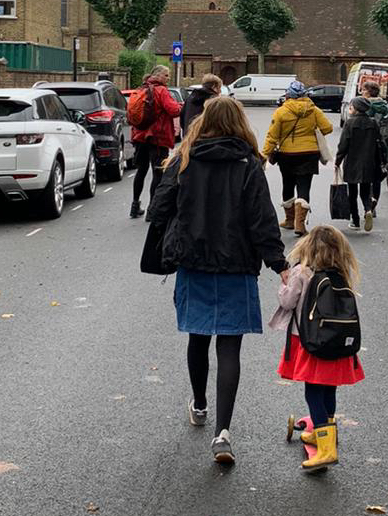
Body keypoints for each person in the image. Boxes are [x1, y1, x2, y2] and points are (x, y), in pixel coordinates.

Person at [148, 97, 290, 466]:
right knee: (229, 348)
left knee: (198, 336)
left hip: (194, 263)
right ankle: (222, 433)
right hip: (237, 266)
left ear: (203, 120)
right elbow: (262, 219)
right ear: (240, 123)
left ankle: (199, 405)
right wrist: (280, 264)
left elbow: (158, 209)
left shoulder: (185, 158)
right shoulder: (248, 162)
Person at [268, 224, 364, 471]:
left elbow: (288, 302)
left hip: (310, 341)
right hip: (336, 341)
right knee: (328, 389)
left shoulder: (302, 272)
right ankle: (326, 432)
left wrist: (283, 283)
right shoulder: (339, 272)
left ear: (308, 246)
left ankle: (325, 447)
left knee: (312, 392)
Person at [262, 81, 334, 236]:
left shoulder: (281, 112)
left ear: (289, 95)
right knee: (304, 186)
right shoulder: (313, 110)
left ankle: (289, 220)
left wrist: (264, 155)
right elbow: (328, 128)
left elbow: (272, 136)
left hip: (287, 154)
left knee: (287, 184)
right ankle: (299, 224)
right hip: (309, 153)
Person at [129, 65, 182, 219]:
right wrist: (179, 106)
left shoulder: (140, 89)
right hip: (157, 138)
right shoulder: (161, 91)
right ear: (158, 75)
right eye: (166, 75)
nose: (168, 78)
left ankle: (135, 205)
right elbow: (174, 111)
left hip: (139, 137)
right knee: (158, 173)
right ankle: (152, 210)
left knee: (141, 170)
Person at [335, 97, 384, 231]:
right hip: (369, 162)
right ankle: (368, 209)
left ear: (356, 109)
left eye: (351, 107)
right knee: (365, 190)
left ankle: (355, 221)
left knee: (352, 192)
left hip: (352, 162)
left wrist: (338, 161)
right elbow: (379, 142)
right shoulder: (373, 123)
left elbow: (343, 145)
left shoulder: (350, 123)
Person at [363, 82, 388, 212]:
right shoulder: (385, 108)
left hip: (366, 146)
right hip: (382, 148)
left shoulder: (366, 107)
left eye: (364, 90)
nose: (362, 92)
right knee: (377, 177)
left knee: (365, 177)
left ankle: (367, 204)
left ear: (368, 92)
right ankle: (373, 201)